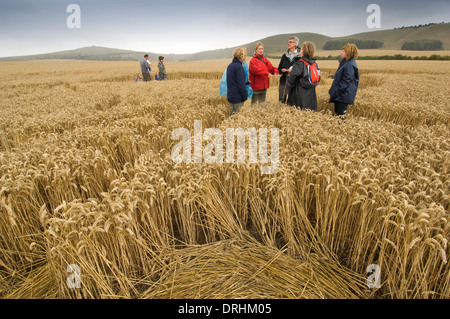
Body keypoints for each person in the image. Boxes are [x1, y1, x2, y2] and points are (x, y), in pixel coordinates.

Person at [286, 41, 320, 111]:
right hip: (311, 95)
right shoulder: (314, 64)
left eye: (301, 49)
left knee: (298, 116)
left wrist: (288, 91)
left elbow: (291, 81)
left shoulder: (299, 64)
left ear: (303, 51)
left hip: (298, 95)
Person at [329, 43, 360, 119]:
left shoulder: (349, 65)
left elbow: (346, 81)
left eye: (343, 51)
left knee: (340, 117)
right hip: (342, 95)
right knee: (339, 117)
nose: (341, 52)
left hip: (342, 96)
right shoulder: (347, 63)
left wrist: (336, 91)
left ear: (348, 52)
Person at [278, 36, 301, 103]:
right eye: (288, 42)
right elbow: (279, 68)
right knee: (281, 101)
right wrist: (282, 70)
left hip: (295, 82)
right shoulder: (284, 55)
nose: (288, 43)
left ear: (295, 44)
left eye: (290, 42)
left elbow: (301, 70)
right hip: (284, 81)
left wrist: (293, 71)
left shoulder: (300, 56)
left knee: (293, 102)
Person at [226, 47, 248, 116]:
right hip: (238, 98)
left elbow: (232, 81)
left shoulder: (229, 66)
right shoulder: (239, 67)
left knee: (231, 118)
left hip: (230, 97)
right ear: (241, 56)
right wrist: (245, 96)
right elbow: (241, 85)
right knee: (237, 119)